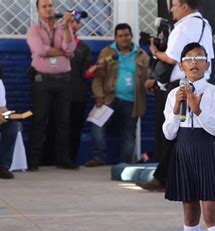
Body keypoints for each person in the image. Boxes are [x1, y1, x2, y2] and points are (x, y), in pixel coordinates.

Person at [163, 42, 215, 231]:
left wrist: (197, 108)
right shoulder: (175, 94)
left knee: (211, 212)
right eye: (189, 58)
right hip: (184, 151)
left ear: (208, 64)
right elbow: (169, 134)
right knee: (190, 212)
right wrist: (176, 112)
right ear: (182, 66)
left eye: (200, 58)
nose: (194, 62)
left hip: (207, 150)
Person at [139, 0, 215, 191]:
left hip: (181, 84)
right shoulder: (205, 24)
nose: (171, 9)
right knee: (187, 130)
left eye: (174, 5)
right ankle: (172, 176)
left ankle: (162, 177)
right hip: (199, 81)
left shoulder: (183, 27)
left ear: (184, 6)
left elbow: (172, 58)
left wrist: (155, 51)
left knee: (171, 130)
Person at [84, 23, 149, 166]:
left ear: (131, 36)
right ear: (115, 37)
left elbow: (147, 78)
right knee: (97, 125)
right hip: (108, 98)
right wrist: (98, 95)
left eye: (126, 35)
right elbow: (98, 77)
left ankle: (123, 164)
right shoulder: (107, 53)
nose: (124, 38)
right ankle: (98, 158)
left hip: (132, 100)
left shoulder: (141, 55)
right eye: (120, 36)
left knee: (129, 134)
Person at [26, 0, 78, 171]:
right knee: (40, 120)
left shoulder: (64, 26)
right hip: (42, 81)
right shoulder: (33, 30)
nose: (48, 9)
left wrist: (65, 27)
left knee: (64, 122)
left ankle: (63, 159)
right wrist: (63, 52)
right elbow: (39, 50)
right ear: (38, 10)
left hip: (63, 80)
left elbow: (70, 48)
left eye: (50, 5)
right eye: (44, 6)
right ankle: (34, 160)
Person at [42, 16, 92, 164]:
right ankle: (48, 159)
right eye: (71, 21)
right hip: (55, 93)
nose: (75, 25)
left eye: (77, 22)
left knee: (74, 128)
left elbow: (85, 72)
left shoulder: (83, 48)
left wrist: (94, 70)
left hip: (77, 94)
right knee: (53, 126)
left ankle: (69, 158)